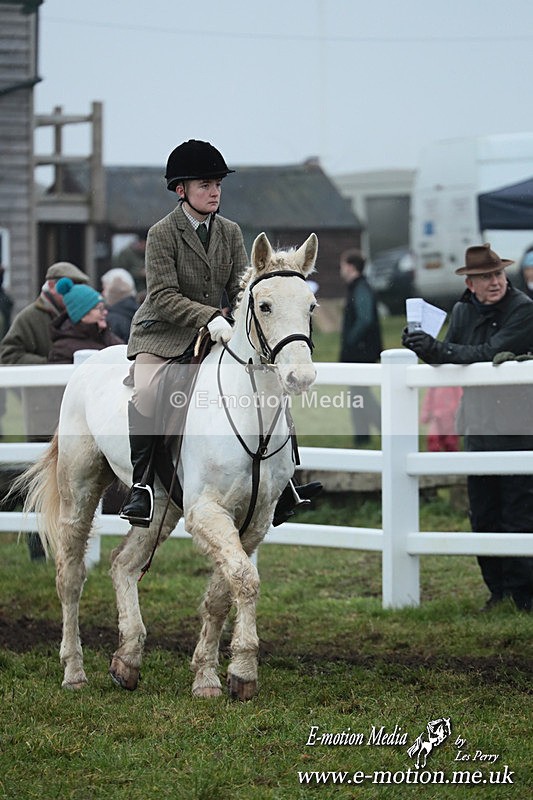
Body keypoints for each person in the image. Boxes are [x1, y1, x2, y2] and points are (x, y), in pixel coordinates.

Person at [120, 138, 321, 527]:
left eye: (217, 185)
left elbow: (240, 287)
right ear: (181, 190)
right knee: (147, 391)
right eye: (205, 185)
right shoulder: (162, 233)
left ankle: (284, 481)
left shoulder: (229, 231)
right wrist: (209, 315)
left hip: (217, 330)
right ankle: (141, 486)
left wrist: (239, 318)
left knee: (266, 382)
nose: (214, 192)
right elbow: (162, 296)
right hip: (162, 332)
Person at [402, 243, 533, 612]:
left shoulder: (524, 309)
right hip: (478, 425)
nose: (495, 282)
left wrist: (438, 349)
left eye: (498, 274)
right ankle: (498, 591)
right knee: (484, 513)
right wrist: (424, 347)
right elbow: (454, 356)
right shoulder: (462, 310)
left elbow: (487, 353)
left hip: (518, 427)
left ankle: (525, 595)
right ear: (470, 283)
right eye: (485, 277)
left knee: (518, 512)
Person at [339, 248, 383, 446]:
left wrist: (350, 340)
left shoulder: (361, 288)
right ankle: (362, 436)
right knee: (358, 396)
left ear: (350, 266)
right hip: (361, 351)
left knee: (360, 396)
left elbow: (365, 319)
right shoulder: (358, 287)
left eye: (343, 265)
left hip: (361, 352)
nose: (341, 269)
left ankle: (385, 429)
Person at [48, 278, 124, 363]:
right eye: (100, 308)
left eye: (104, 307)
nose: (105, 312)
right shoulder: (62, 350)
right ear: (82, 315)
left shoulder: (110, 338)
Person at [101, 267, 139, 342]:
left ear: (113, 290)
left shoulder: (111, 320)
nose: (102, 293)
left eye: (104, 288)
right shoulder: (139, 312)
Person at [420, 385, 462, 453]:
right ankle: (433, 459)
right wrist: (425, 414)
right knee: (433, 443)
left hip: (451, 418)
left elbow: (459, 397)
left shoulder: (455, 384)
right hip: (436, 418)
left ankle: (452, 459)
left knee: (451, 444)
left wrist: (460, 415)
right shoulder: (434, 385)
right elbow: (428, 398)